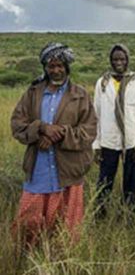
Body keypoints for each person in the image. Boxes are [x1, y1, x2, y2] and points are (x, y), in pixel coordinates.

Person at [11, 43, 97, 247]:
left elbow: (89, 131)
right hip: (38, 169)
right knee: (28, 223)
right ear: (45, 68)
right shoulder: (33, 93)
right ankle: (27, 262)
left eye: (60, 65)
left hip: (68, 171)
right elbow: (17, 125)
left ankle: (60, 265)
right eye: (51, 66)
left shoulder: (80, 95)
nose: (56, 70)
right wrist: (40, 127)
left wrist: (59, 134)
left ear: (67, 67)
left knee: (65, 228)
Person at [93, 44, 135, 218]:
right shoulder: (102, 82)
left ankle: (129, 216)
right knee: (104, 182)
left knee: (130, 183)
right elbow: (96, 114)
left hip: (131, 142)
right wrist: (96, 144)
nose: (119, 62)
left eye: (122, 59)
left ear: (127, 60)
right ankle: (100, 216)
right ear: (110, 61)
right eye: (115, 59)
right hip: (108, 141)